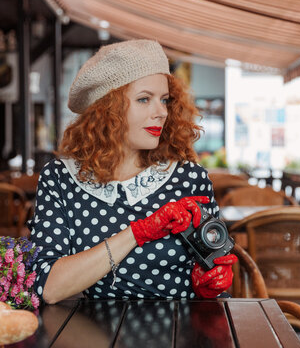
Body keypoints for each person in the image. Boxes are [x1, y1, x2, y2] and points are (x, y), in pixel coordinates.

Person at [29, 40, 237, 304]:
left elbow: (212, 261)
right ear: (107, 110)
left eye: (164, 100)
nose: (161, 112)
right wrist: (137, 232)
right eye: (144, 99)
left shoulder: (189, 178)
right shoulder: (60, 178)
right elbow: (48, 287)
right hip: (95, 334)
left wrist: (207, 284)